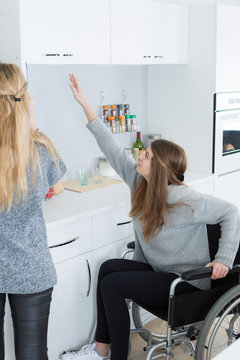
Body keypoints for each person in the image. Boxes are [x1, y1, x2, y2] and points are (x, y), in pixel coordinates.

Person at [62, 73, 240, 360]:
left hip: (187, 284)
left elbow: (231, 212)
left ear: (158, 167)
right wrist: (84, 102)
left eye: (145, 155)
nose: (139, 156)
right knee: (108, 268)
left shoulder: (185, 198)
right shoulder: (139, 184)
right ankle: (101, 349)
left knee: (113, 284)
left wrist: (223, 259)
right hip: (161, 272)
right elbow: (109, 145)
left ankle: (115, 355)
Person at [0, 63, 67, 359]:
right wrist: (30, 122)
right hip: (32, 267)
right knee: (33, 353)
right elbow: (59, 187)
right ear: (23, 99)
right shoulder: (41, 149)